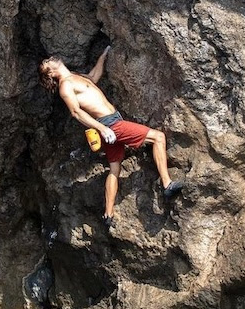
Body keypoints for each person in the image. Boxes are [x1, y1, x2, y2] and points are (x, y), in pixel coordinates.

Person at [39, 47, 183, 229]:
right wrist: (101, 128)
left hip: (110, 124)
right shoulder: (65, 86)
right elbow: (76, 112)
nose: (51, 58)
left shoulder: (75, 76)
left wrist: (103, 55)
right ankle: (167, 184)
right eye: (48, 61)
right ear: (51, 72)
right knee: (158, 137)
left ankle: (108, 213)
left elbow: (92, 78)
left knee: (115, 168)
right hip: (110, 125)